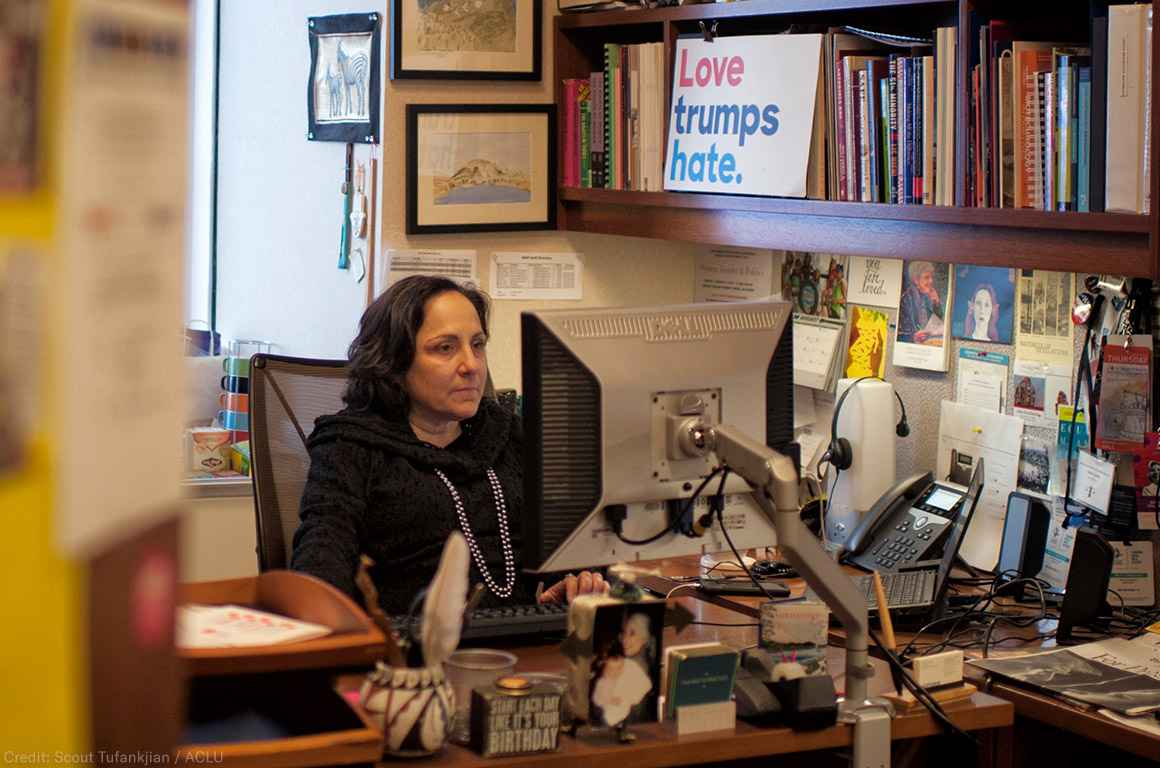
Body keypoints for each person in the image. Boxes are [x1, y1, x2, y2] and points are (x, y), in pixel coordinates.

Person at [291, 275, 605, 614]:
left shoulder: (510, 435)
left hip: (525, 642)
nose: (471, 365)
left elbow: (581, 546)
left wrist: (577, 580)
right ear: (393, 362)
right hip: (410, 654)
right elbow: (321, 562)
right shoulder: (349, 446)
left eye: (478, 344)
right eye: (445, 348)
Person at [897, 261, 943, 344]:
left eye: (931, 277)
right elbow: (900, 333)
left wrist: (936, 303)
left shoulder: (927, 295)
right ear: (916, 280)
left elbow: (939, 321)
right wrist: (913, 337)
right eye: (926, 277)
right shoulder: (906, 299)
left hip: (926, 341)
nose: (931, 281)